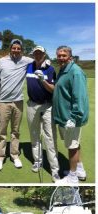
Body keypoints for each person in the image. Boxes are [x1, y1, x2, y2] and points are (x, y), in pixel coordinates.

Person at [0, 39, 32, 171]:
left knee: (15, 131)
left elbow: (38, 60)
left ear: (21, 50)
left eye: (19, 48)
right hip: (3, 102)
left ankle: (14, 155)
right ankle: (0, 157)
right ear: (10, 48)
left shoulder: (26, 61)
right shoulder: (2, 61)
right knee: (2, 132)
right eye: (14, 48)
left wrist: (47, 61)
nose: (16, 50)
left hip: (18, 101)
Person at [52, 46, 89, 184]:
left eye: (64, 55)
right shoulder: (62, 70)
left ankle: (72, 177)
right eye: (59, 55)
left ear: (70, 57)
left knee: (72, 147)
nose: (61, 58)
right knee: (75, 144)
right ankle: (79, 170)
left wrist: (74, 117)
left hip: (71, 118)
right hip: (64, 117)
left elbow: (79, 97)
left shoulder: (75, 72)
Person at [26, 45, 60, 182]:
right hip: (32, 105)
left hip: (47, 105)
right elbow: (16, 58)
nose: (38, 55)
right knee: (34, 136)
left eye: (40, 53)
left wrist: (43, 80)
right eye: (36, 53)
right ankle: (37, 161)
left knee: (50, 138)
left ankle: (55, 170)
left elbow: (53, 90)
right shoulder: (28, 66)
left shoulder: (50, 69)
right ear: (33, 54)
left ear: (44, 55)